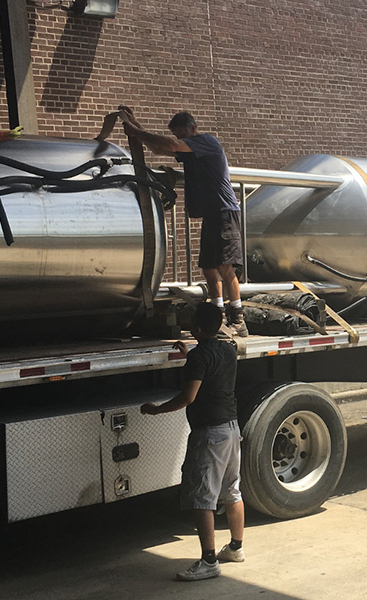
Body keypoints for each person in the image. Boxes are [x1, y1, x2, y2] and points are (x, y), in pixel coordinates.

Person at [117, 105, 248, 336]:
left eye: (182, 134)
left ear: (193, 128)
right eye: (177, 135)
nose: (179, 139)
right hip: (211, 214)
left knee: (226, 267)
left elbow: (171, 145)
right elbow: (159, 149)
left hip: (224, 212)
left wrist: (138, 132)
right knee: (208, 267)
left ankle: (238, 319)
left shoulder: (207, 142)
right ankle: (215, 319)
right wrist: (135, 124)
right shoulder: (188, 148)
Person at [140, 303, 245, 581]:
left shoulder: (200, 357)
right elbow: (212, 368)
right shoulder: (229, 350)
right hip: (232, 428)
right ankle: (235, 547)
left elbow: (189, 397)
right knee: (232, 489)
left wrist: (156, 409)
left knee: (203, 498)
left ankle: (209, 561)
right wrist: (191, 357)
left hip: (210, 433)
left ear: (197, 328)